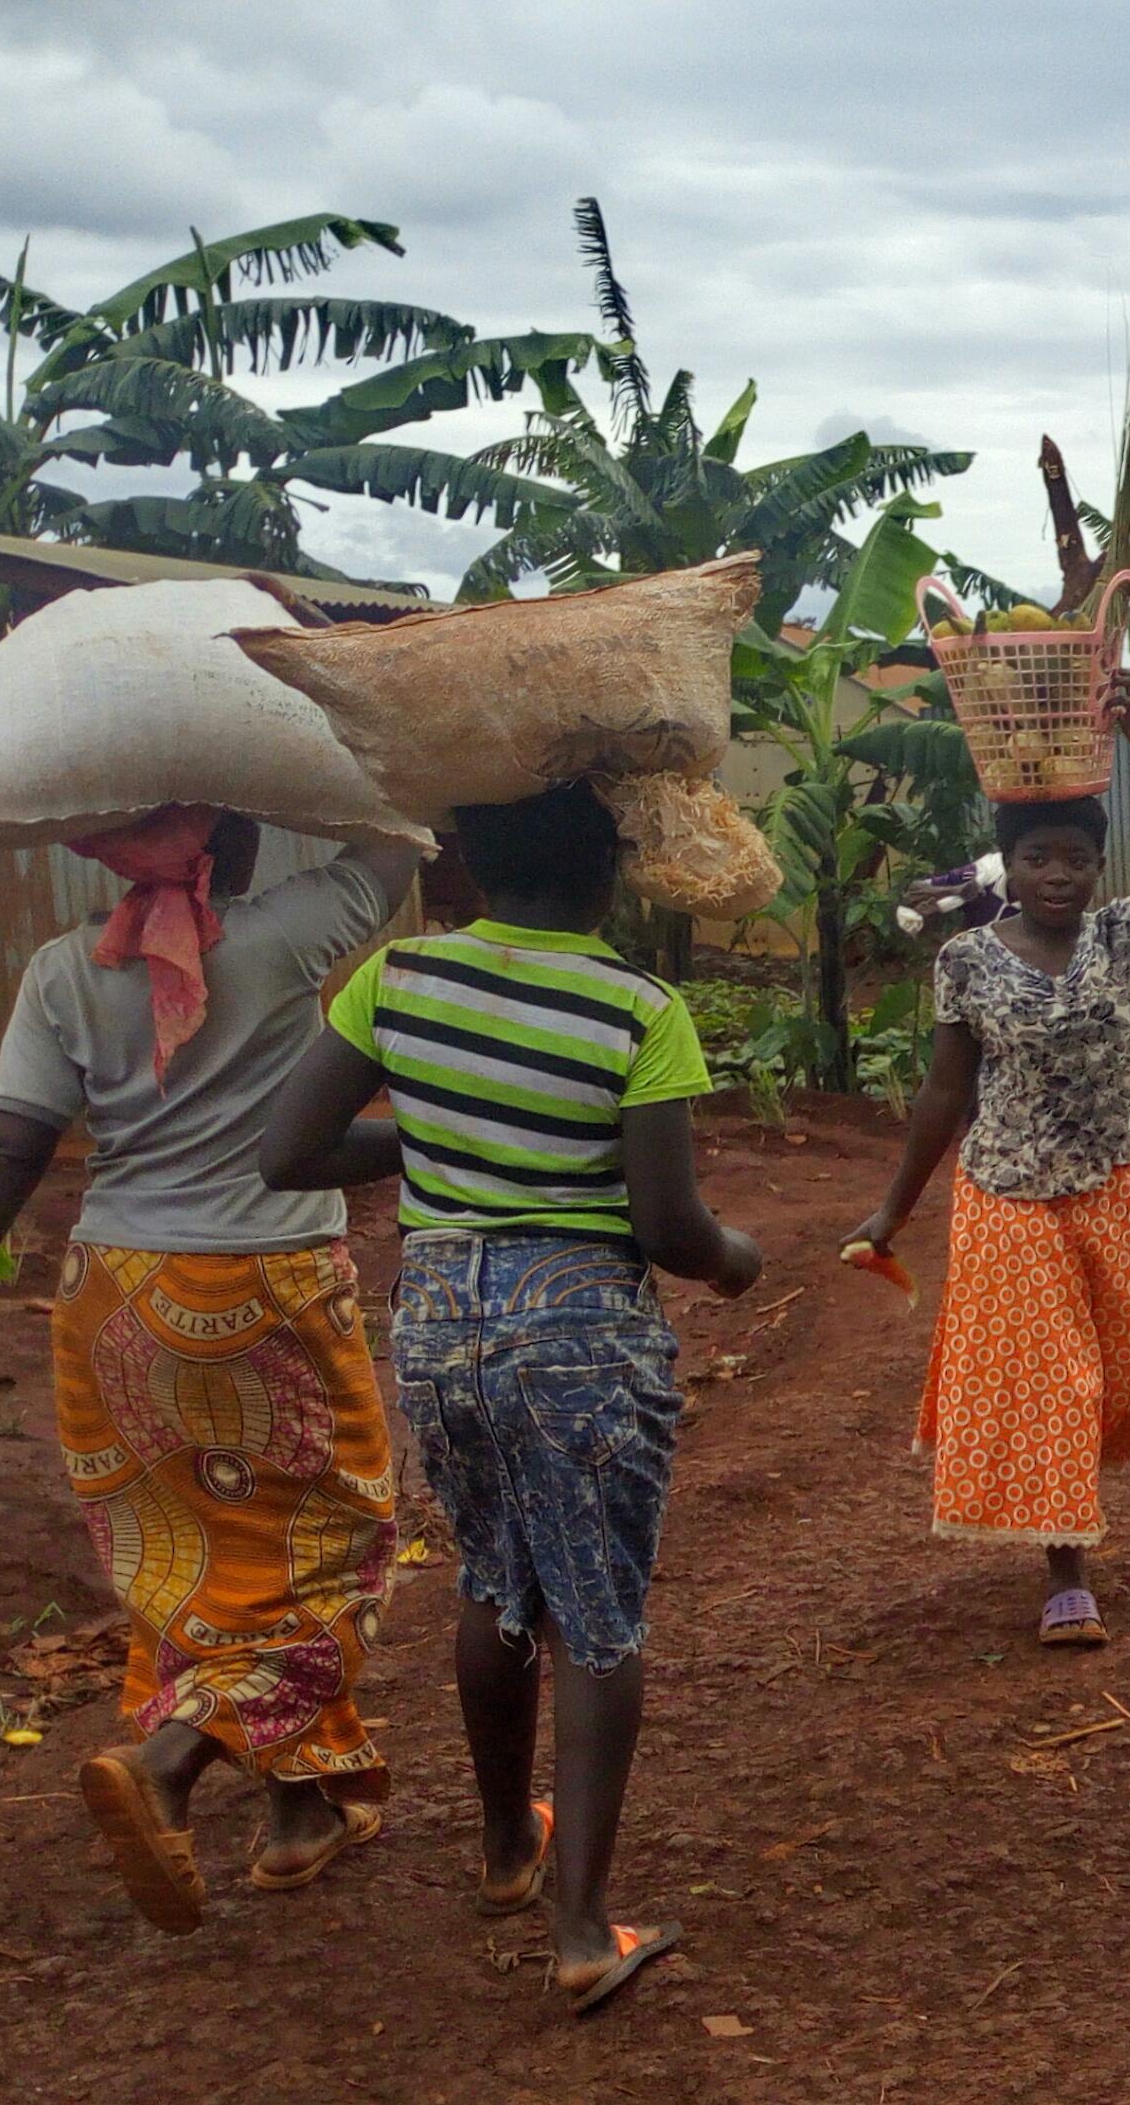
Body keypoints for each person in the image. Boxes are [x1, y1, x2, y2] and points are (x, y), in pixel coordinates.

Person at [0, 807, 421, 1933]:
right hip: (267, 1287)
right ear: (227, 837)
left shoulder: (64, 970)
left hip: (115, 1299)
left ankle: (301, 1810)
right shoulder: (284, 934)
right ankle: (170, 1762)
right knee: (334, 1555)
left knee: (195, 1562)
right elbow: (394, 835)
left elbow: (5, 1145)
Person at [258, 780, 760, 2015]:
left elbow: (289, 1151)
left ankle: (503, 1849)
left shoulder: (399, 979)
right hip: (577, 1325)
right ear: (611, 875)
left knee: (494, 1579)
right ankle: (583, 1929)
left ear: (473, 863)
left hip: (438, 1319)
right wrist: (736, 1259)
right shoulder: (640, 1008)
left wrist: (439, 1138)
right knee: (595, 1613)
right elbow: (667, 1224)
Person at [842, 678, 1130, 1650]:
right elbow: (943, 1093)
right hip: (1006, 1193)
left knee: (1120, 1382)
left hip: (1113, 1181)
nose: (1058, 875)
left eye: (1076, 858)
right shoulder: (967, 960)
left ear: (1100, 867)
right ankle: (1066, 1572)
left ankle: (1066, 1505)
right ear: (1007, 866)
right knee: (1058, 1379)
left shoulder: (1123, 933)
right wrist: (893, 1209)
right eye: (1037, 857)